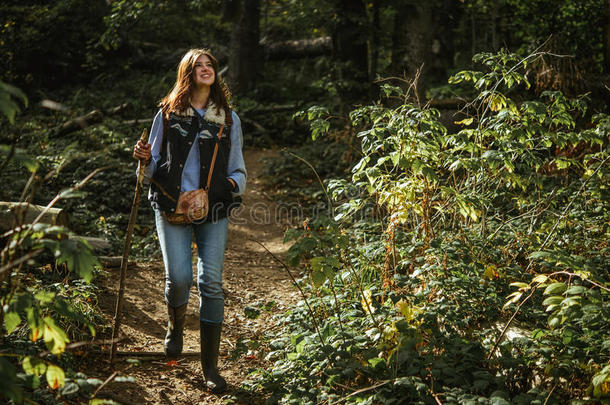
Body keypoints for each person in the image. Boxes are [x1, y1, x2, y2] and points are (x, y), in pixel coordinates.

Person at [132, 48, 246, 394]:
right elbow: (150, 169)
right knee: (179, 278)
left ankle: (210, 368)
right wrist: (142, 158)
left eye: (210, 64)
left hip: (212, 210)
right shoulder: (167, 115)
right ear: (187, 73)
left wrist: (211, 193)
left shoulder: (228, 119)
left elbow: (239, 175)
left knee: (210, 282)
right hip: (170, 206)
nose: (206, 69)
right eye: (198, 65)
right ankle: (176, 327)